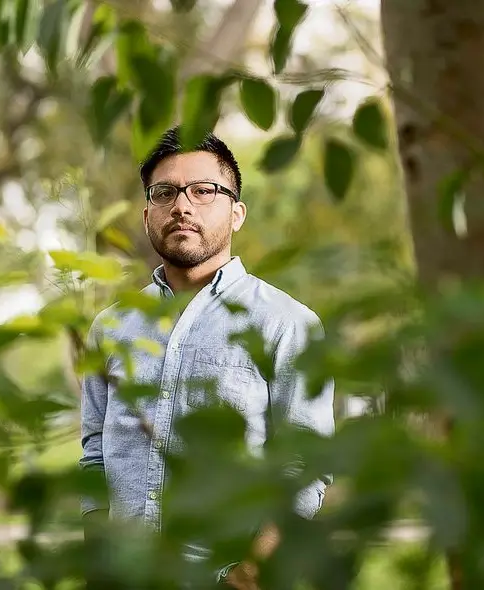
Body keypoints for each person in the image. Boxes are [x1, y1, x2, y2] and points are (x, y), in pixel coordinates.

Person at [78, 126, 335, 589]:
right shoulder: (112, 329)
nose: (182, 205)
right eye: (165, 193)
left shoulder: (286, 323)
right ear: (147, 213)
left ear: (237, 213)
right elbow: (95, 457)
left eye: (203, 191)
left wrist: (250, 574)